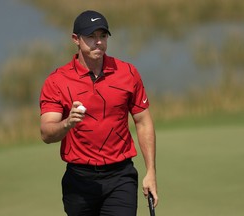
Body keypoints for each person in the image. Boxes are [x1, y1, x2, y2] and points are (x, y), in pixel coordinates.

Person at [39, 10, 158, 216]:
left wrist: (151, 173)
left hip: (121, 176)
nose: (98, 42)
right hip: (80, 180)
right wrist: (67, 123)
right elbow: (47, 134)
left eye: (103, 36)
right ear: (76, 39)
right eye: (91, 37)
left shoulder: (127, 73)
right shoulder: (57, 80)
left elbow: (143, 122)